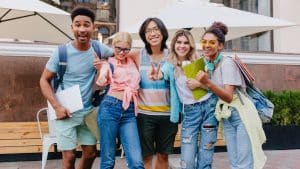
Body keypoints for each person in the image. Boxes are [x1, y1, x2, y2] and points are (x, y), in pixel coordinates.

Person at [39, 7, 113, 169]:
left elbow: (122, 54)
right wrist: (57, 107)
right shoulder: (61, 52)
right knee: (70, 156)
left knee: (91, 153)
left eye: (86, 25)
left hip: (88, 112)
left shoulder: (99, 49)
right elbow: (44, 80)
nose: (82, 29)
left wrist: (105, 65)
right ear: (71, 28)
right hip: (65, 112)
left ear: (94, 27)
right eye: (77, 25)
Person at [195, 22, 266, 169]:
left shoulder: (227, 63)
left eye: (212, 42)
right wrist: (201, 83)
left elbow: (228, 95)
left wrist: (207, 83)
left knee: (244, 163)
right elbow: (214, 91)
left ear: (220, 46)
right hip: (227, 116)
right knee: (234, 163)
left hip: (242, 115)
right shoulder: (211, 64)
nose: (207, 45)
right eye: (204, 42)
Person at [149, 29, 218, 169]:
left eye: (186, 43)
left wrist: (200, 84)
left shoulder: (201, 61)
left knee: (206, 152)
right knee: (187, 158)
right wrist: (157, 76)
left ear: (191, 45)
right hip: (190, 111)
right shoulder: (170, 65)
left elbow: (215, 86)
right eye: (179, 42)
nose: (182, 45)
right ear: (174, 44)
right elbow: (162, 74)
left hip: (209, 107)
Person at [129, 17, 178, 169]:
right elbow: (117, 53)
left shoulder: (173, 56)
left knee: (163, 156)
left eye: (156, 29)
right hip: (144, 115)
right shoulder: (138, 55)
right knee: (146, 157)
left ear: (162, 32)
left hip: (168, 115)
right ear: (144, 36)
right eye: (148, 31)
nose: (152, 33)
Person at [96, 32, 144, 169]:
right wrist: (102, 73)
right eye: (118, 48)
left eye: (125, 49)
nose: (122, 52)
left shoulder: (133, 60)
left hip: (129, 112)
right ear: (112, 46)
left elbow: (141, 52)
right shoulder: (108, 63)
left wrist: (128, 49)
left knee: (136, 162)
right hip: (110, 108)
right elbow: (102, 76)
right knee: (108, 160)